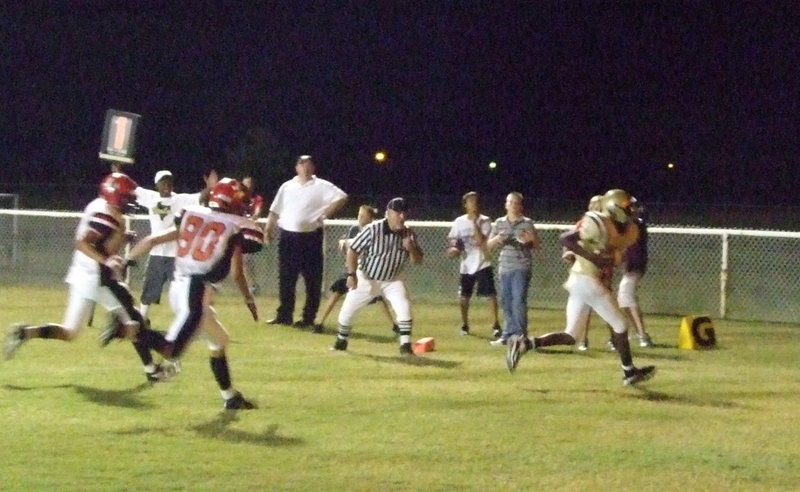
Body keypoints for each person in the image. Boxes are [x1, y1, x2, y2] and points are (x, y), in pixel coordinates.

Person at [103, 178, 263, 409]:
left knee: (219, 341)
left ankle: (230, 397)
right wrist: (248, 297)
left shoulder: (193, 214)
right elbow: (238, 271)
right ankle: (126, 329)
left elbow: (153, 239)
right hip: (195, 292)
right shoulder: (235, 225)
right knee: (172, 350)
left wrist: (125, 260)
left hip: (181, 286)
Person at [3, 173, 174, 382]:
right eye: (125, 198)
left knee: (70, 332)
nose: (129, 201)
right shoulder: (106, 218)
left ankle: (24, 333)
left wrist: (119, 238)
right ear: (115, 197)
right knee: (134, 323)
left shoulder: (99, 205)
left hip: (81, 275)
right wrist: (107, 260)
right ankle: (149, 364)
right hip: (96, 278)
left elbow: (101, 243)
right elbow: (83, 243)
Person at [507, 189, 656, 385]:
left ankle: (525, 343)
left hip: (583, 280)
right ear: (614, 208)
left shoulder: (627, 229)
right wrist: (594, 257)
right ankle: (628, 371)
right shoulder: (599, 222)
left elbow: (618, 250)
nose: (632, 211)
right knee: (620, 325)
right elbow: (566, 238)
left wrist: (611, 256)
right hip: (587, 279)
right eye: (628, 207)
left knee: (571, 335)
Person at [330, 197, 424, 355]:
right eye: (398, 213)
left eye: (404, 213)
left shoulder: (408, 233)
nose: (402, 216)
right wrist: (351, 274)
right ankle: (341, 341)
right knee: (347, 311)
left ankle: (405, 346)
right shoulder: (374, 229)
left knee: (404, 307)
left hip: (392, 279)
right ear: (388, 213)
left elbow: (418, 261)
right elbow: (353, 250)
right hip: (367, 277)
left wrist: (411, 248)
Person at [263, 155, 348, 328]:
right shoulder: (287, 186)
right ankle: (284, 315)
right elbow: (275, 210)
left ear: (313, 167)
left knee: (312, 279)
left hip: (310, 237)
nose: (306, 168)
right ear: (296, 168)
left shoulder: (322, 185)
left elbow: (342, 197)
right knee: (286, 278)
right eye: (302, 164)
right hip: (288, 237)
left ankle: (308, 318)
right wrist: (268, 229)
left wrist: (325, 214)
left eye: (309, 164)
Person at [133, 170, 209, 319]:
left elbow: (200, 197)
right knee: (150, 290)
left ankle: (188, 319)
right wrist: (118, 171)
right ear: (157, 184)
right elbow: (131, 188)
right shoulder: (151, 198)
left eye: (169, 181)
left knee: (182, 290)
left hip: (175, 254)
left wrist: (210, 187)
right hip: (156, 254)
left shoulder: (179, 199)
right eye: (163, 181)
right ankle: (143, 319)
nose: (167, 185)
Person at [316, 204, 397, 334]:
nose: (359, 218)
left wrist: (351, 243)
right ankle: (320, 322)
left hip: (368, 273)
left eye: (363, 216)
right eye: (359, 215)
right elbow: (344, 244)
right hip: (352, 271)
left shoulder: (376, 231)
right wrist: (344, 244)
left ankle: (394, 325)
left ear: (371, 218)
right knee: (337, 292)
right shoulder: (354, 229)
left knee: (379, 297)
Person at [486, 192, 540, 347]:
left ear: (521, 206)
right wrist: (497, 239)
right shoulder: (499, 223)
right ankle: (507, 334)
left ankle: (520, 335)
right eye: (510, 202)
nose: (513, 206)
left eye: (516, 203)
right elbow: (488, 246)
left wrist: (530, 240)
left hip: (521, 267)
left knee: (518, 301)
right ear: (505, 204)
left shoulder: (527, 223)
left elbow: (537, 245)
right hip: (505, 267)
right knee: (506, 302)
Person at [446, 191, 501, 338]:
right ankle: (465, 324)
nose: (474, 204)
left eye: (476, 201)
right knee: (464, 296)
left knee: (490, 295)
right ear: (465, 205)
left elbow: (481, 241)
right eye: (470, 202)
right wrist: (453, 250)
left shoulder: (485, 220)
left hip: (483, 262)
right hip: (466, 266)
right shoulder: (459, 222)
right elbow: (453, 241)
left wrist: (474, 223)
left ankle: (496, 325)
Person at [617, 197, 653, 347]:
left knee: (628, 298)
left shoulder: (637, 223)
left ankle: (643, 335)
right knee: (623, 300)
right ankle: (640, 333)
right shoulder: (634, 223)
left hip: (635, 264)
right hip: (634, 263)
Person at [241, 176, 265, 295]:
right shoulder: (238, 198)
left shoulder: (257, 199)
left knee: (247, 260)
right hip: (238, 232)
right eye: (245, 184)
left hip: (250, 233)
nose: (248, 186)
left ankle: (252, 285)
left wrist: (252, 217)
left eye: (250, 184)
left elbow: (257, 212)